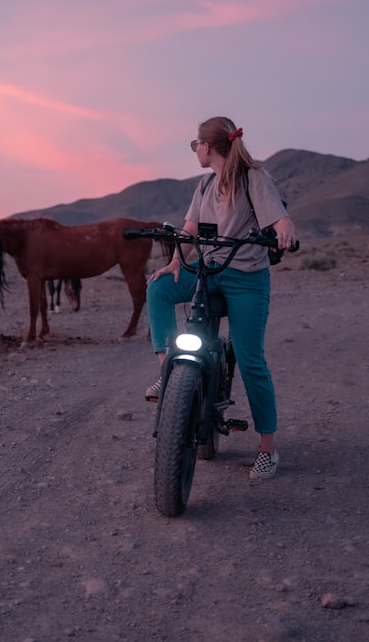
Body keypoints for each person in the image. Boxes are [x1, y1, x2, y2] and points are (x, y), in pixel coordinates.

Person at [144, 116, 297, 480]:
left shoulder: (253, 178)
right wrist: (176, 262)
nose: (194, 150)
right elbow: (190, 230)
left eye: (195, 144)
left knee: (251, 360)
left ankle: (267, 449)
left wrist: (285, 232)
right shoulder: (205, 185)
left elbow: (281, 220)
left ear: (207, 147)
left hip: (246, 280)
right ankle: (168, 369)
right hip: (209, 273)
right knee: (159, 288)